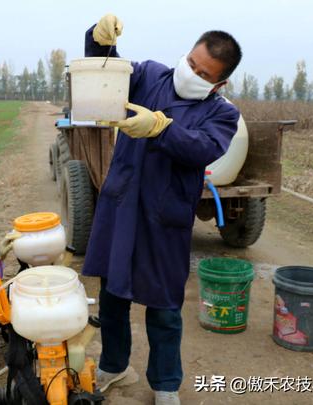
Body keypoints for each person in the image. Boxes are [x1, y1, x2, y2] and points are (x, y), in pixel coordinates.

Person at [81, 14, 243, 405]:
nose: (191, 73)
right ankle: (114, 365)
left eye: (203, 74)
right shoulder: (150, 76)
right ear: (186, 53)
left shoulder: (222, 114)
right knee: (113, 294)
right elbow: (107, 71)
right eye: (190, 63)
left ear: (219, 83)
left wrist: (161, 128)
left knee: (164, 306)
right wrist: (99, 40)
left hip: (164, 217)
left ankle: (166, 384)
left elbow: (202, 149)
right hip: (121, 205)